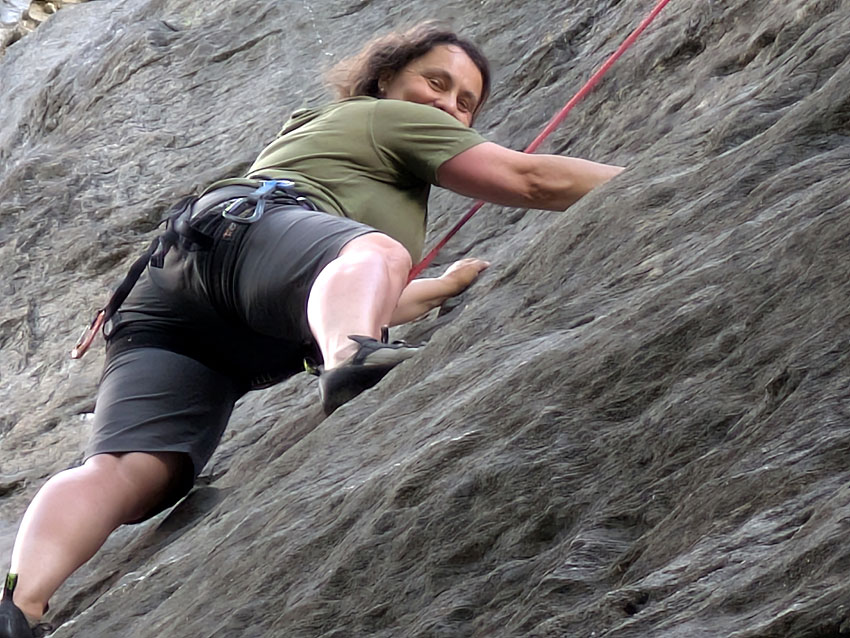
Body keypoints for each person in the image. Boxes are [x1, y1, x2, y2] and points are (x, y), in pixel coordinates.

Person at [0, 21, 623, 636]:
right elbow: (528, 179)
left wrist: (445, 286)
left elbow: (341, 289)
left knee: (131, 471)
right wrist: (641, 175)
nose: (446, 106)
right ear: (384, 80)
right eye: (435, 82)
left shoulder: (330, 147)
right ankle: (351, 360)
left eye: (465, 103)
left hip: (180, 299)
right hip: (249, 240)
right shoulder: (387, 117)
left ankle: (19, 606)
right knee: (375, 253)